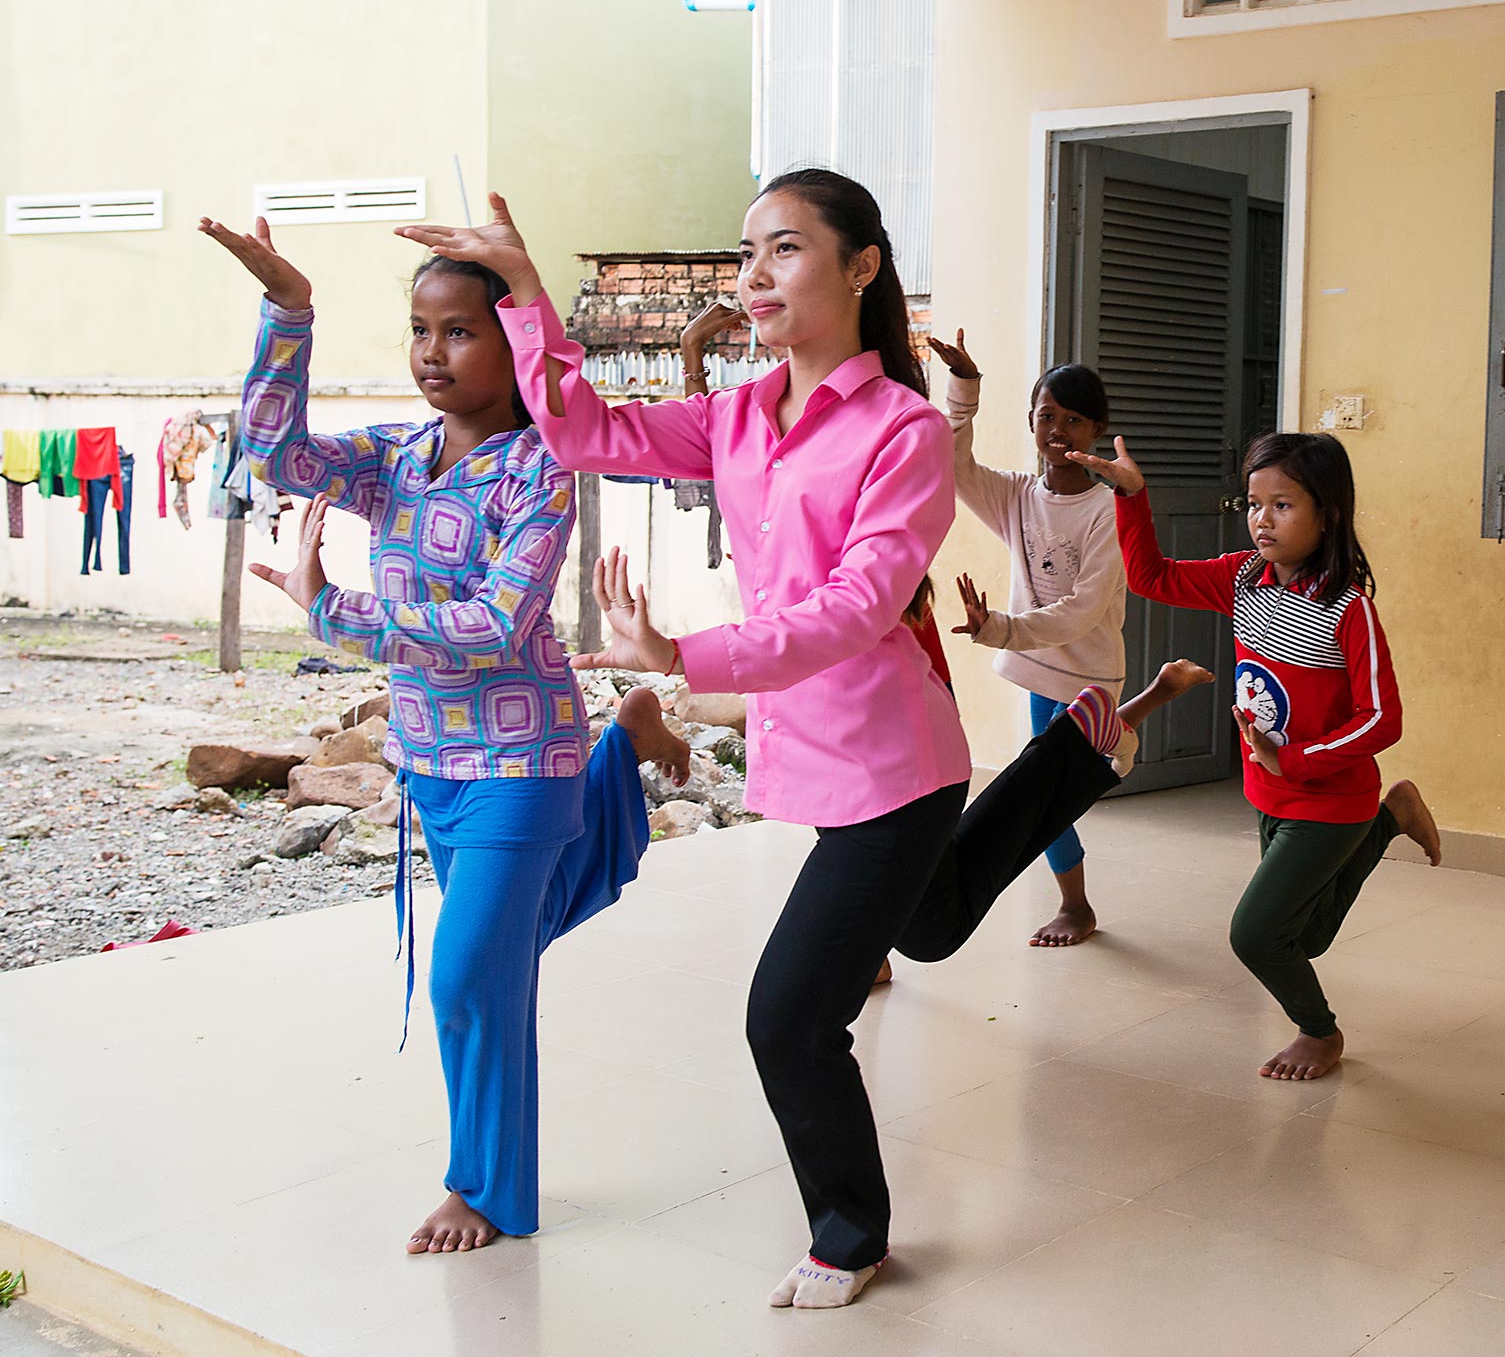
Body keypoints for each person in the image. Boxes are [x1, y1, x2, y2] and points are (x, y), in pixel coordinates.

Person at [396, 171, 1213, 1307]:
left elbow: (855, 606)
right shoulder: (735, 417)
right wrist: (527, 288)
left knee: (788, 1011)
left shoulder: (906, 430)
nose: (752, 276)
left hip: (894, 763)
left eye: (782, 250)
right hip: (814, 756)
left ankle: (849, 1233)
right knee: (925, 926)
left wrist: (687, 657)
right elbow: (579, 429)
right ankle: (1075, 753)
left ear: (860, 265)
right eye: (746, 253)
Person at [199, 214, 692, 1255]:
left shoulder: (540, 468)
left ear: (509, 343)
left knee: (468, 974)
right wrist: (288, 309)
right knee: (500, 958)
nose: (431, 351)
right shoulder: (395, 458)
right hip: (428, 758)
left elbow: (491, 626)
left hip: (520, 758)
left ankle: (487, 1189)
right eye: (420, 328)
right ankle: (627, 750)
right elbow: (276, 452)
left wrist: (330, 612)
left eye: (459, 330)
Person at [1081, 430, 1440, 1082]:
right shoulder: (1242, 578)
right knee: (1303, 936)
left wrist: (1296, 760)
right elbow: (1150, 576)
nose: (1262, 519)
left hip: (1330, 796)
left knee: (1255, 935)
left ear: (1327, 513)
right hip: (1270, 792)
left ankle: (1319, 1032)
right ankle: (1395, 817)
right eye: (1254, 502)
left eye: (1283, 505)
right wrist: (1132, 498)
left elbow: (1383, 717)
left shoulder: (1346, 609)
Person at [928, 329, 1126, 946]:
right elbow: (954, 467)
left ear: (1097, 430)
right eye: (1047, 416)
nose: (1058, 430)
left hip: (1090, 676)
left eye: (1074, 419)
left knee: (1058, 791)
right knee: (1044, 799)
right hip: (1042, 676)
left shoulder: (1109, 511)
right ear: (1031, 422)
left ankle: (1077, 905)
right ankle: (1078, 906)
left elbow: (1084, 611)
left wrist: (1004, 630)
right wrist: (964, 393)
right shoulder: (1016, 494)